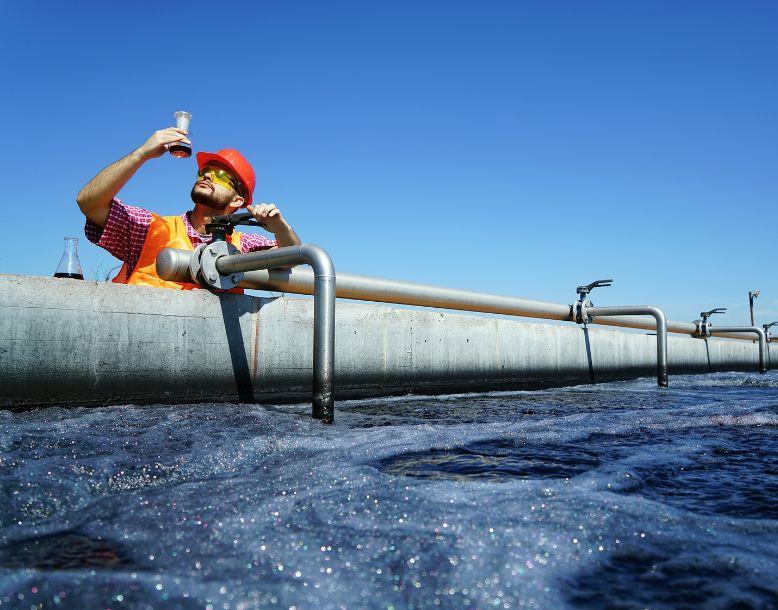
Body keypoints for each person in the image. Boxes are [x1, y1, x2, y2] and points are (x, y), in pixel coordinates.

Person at [76, 126, 301, 289]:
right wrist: (141, 153)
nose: (208, 176)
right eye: (204, 172)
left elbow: (290, 257)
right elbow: (89, 203)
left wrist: (280, 227)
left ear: (237, 201)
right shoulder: (150, 228)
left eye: (221, 176)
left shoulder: (243, 246)